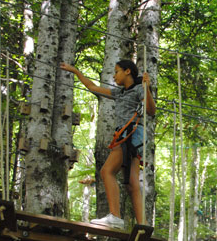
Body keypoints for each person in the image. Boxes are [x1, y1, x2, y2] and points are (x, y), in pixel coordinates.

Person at [59, 60, 156, 228]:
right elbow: (92, 87)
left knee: (107, 171)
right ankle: (143, 223)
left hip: (130, 134)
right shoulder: (119, 93)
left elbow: (151, 110)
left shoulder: (139, 89)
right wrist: (76, 71)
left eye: (116, 71)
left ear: (127, 72)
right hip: (132, 136)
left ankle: (115, 216)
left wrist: (147, 89)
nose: (114, 75)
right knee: (132, 183)